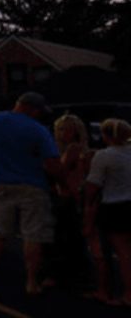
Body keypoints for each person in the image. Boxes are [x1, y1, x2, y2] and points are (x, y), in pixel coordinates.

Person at [0, 92, 62, 295]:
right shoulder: (38, 129)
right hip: (33, 186)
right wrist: (62, 183)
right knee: (33, 234)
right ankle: (31, 282)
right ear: (32, 109)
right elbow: (52, 163)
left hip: (1, 184)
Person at [83, 118, 131, 306]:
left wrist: (87, 206)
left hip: (114, 205)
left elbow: (93, 185)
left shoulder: (104, 156)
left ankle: (123, 293)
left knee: (121, 252)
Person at [47, 113, 92, 291]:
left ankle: (61, 275)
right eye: (59, 129)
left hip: (67, 198)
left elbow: (59, 170)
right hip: (68, 197)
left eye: (65, 129)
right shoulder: (76, 149)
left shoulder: (73, 149)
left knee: (63, 238)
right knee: (70, 239)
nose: (60, 133)